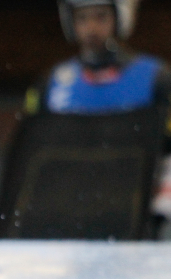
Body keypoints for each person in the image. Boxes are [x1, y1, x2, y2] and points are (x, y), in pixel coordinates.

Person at [24, 0, 171, 230]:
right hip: (66, 215)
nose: (91, 27)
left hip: (136, 216)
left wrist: (162, 209)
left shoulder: (155, 78)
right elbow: (32, 158)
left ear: (121, 17)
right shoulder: (51, 83)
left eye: (101, 17)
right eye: (82, 18)